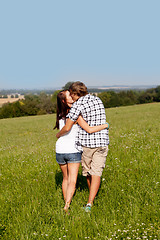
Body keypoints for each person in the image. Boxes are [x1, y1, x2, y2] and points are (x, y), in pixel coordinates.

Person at [56, 82, 109, 212]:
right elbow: (93, 124)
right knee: (94, 172)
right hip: (98, 142)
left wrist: (57, 135)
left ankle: (74, 205)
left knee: (84, 174)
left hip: (79, 145)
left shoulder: (72, 109)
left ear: (74, 94)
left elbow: (68, 127)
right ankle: (88, 202)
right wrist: (105, 126)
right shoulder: (97, 99)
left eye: (71, 95)